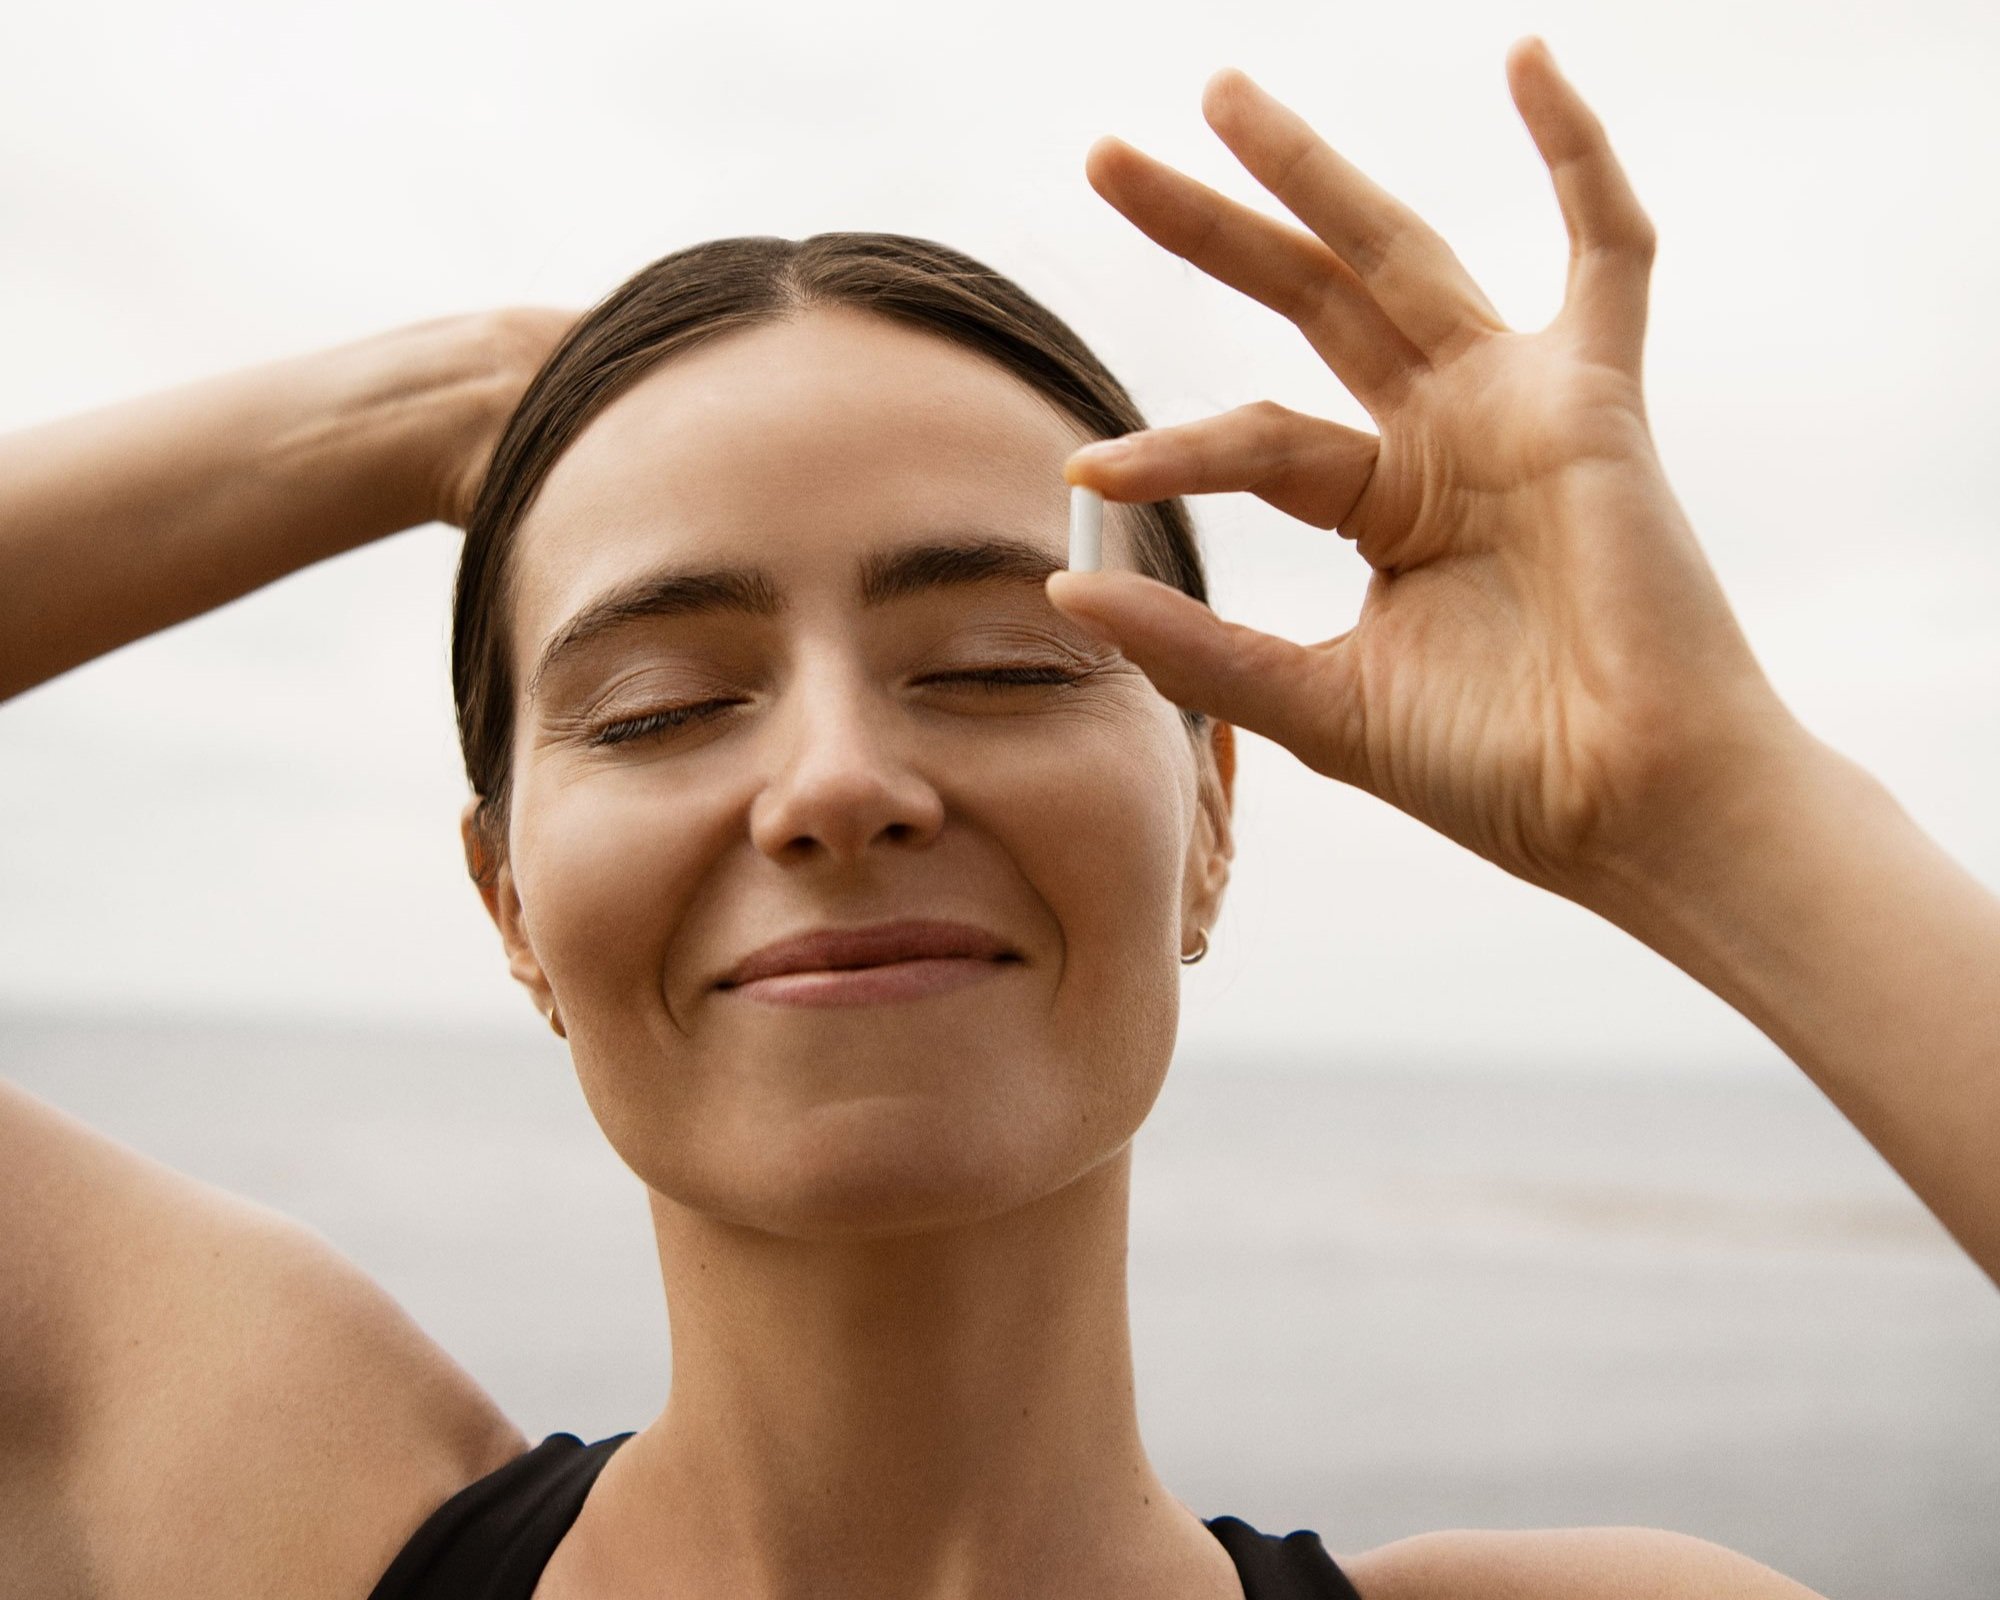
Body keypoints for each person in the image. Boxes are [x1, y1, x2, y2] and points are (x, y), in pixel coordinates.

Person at [1, 33, 1992, 1600]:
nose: (840, 779)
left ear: (1214, 809)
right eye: (662, 701)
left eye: (1000, 661)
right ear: (506, 896)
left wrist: (1713, 806)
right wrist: (442, 405)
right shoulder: (255, 1507)